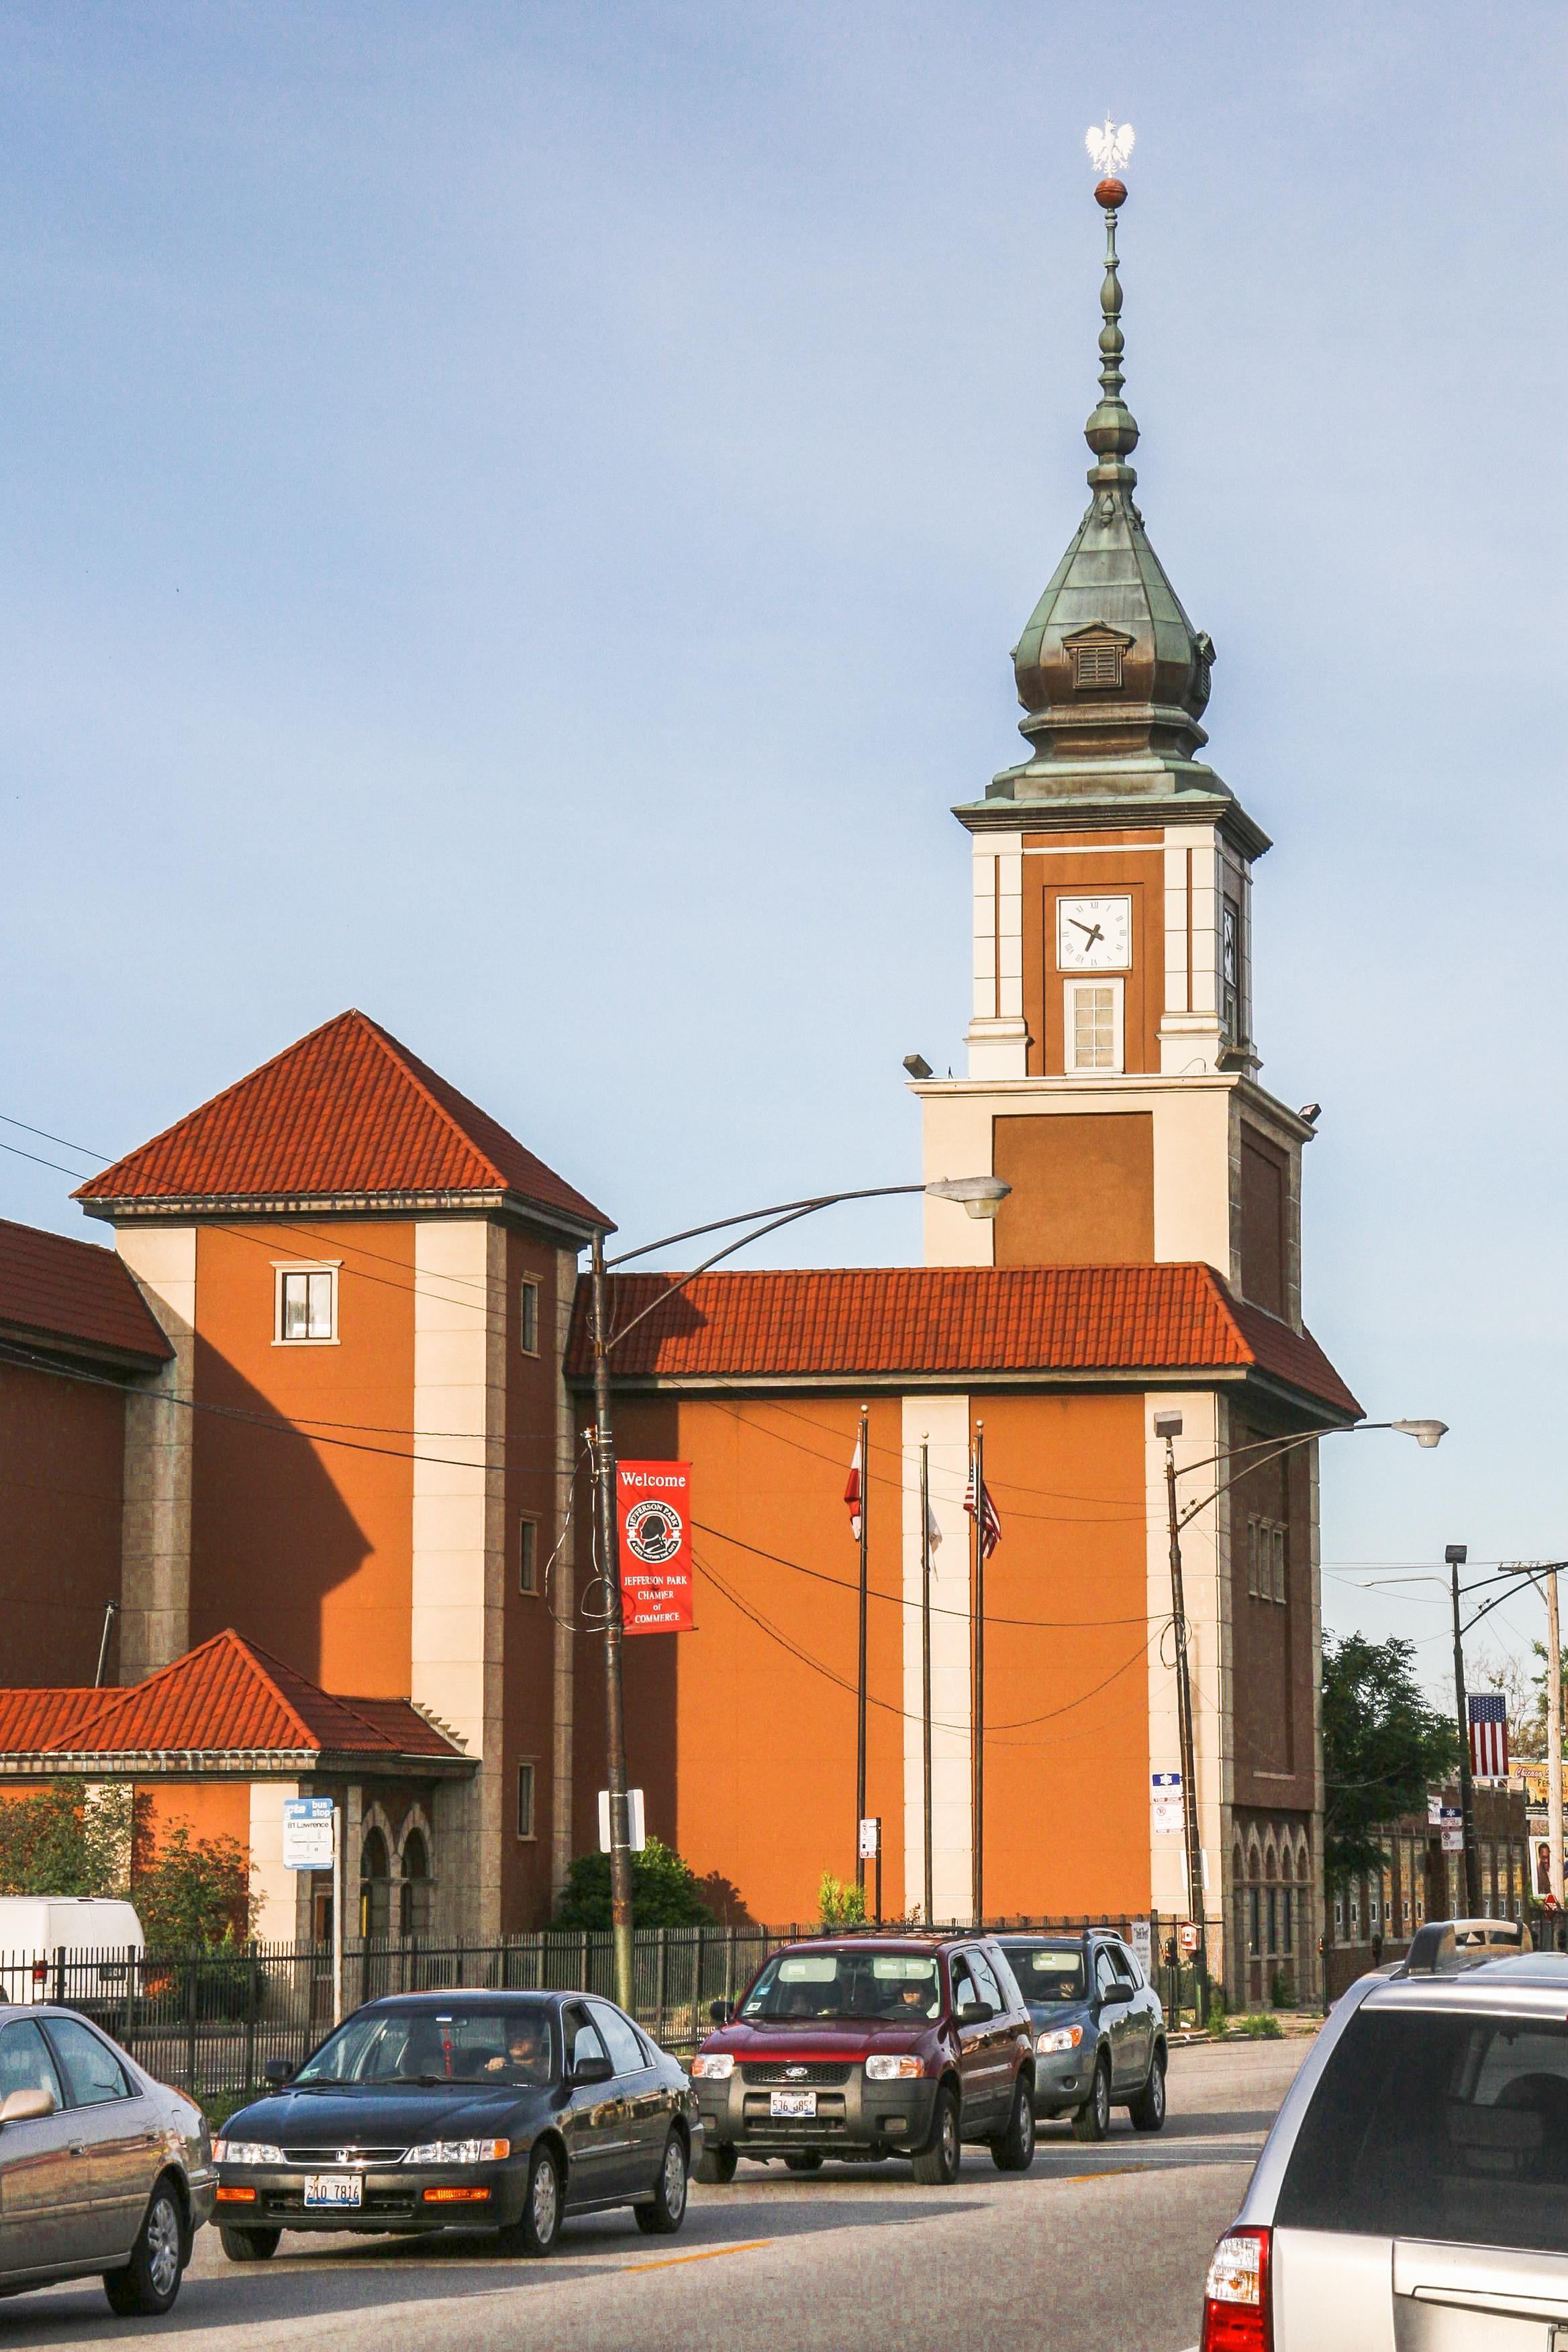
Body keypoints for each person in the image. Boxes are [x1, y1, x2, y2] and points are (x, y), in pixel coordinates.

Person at [483, 2016, 550, 2084]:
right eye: (513, 2034)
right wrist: (495, 2068)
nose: (518, 2039)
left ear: (538, 2041)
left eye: (525, 2034)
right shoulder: (501, 2064)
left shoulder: (550, 2067)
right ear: (506, 2039)